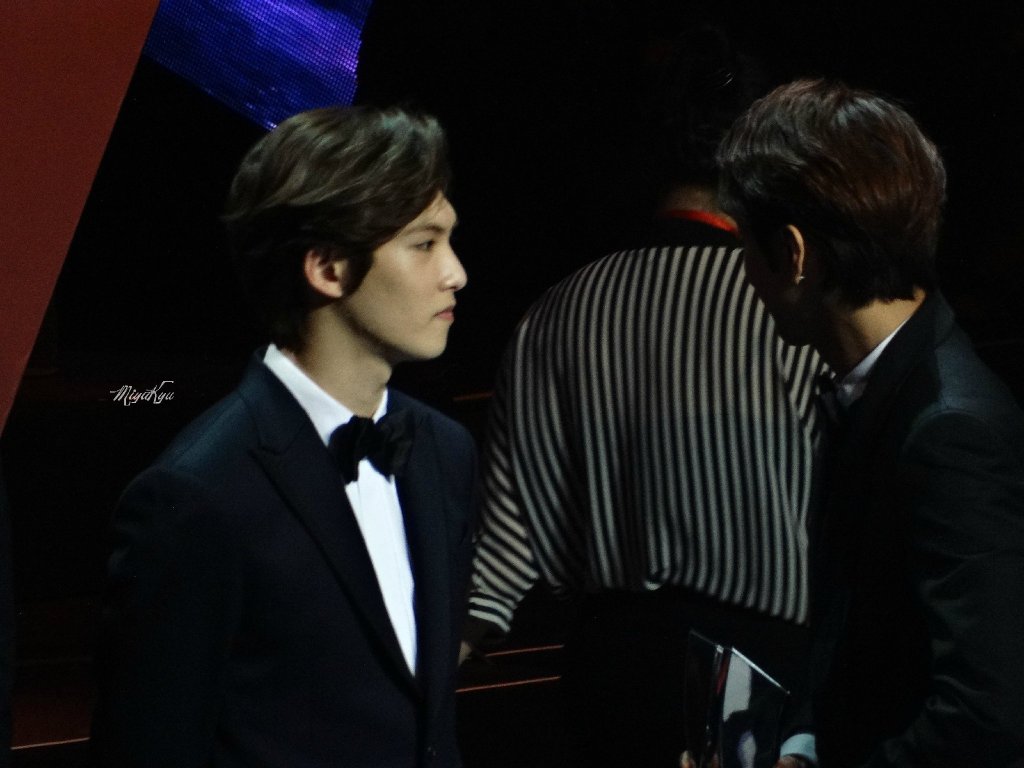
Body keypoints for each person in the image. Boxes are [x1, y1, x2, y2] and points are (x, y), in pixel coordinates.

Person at [463, 28, 826, 768]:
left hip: (609, 678)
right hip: (767, 684)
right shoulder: (799, 309)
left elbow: (498, 565)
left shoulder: (559, 311)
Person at [90, 106, 477, 767]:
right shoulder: (196, 495)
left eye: (449, 240)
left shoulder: (443, 449)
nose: (456, 272)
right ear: (327, 268)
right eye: (423, 243)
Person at [716, 78, 1024, 767]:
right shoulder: (886, 386)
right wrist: (801, 749)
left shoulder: (950, 429)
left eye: (745, 248)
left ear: (793, 253)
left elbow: (989, 714)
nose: (746, 275)